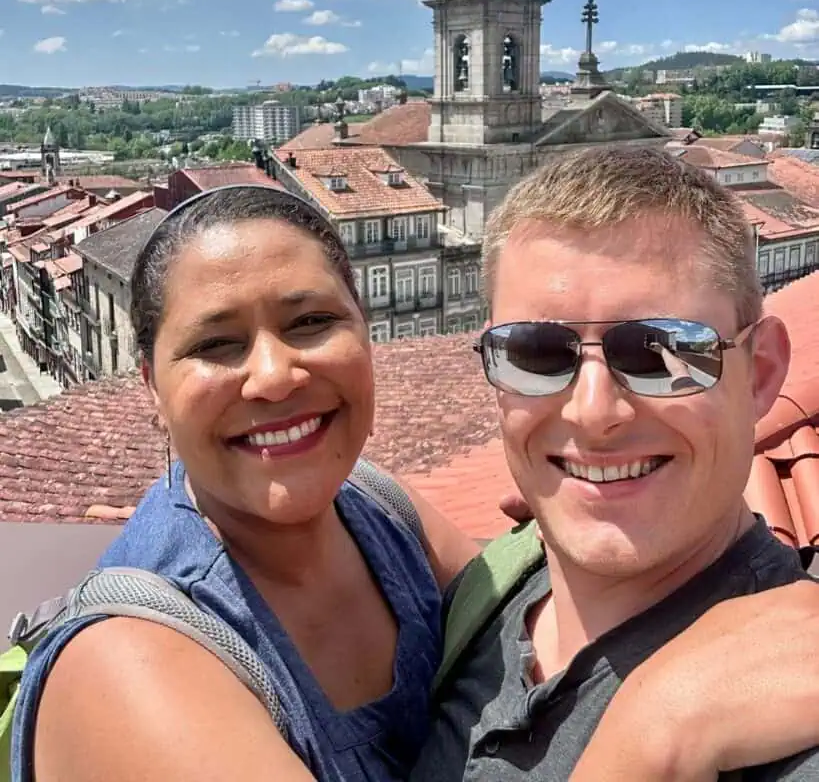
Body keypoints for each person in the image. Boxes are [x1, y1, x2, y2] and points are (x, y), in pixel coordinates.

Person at [9, 182, 819, 782]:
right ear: (150, 385)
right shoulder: (127, 667)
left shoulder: (382, 515)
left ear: (367, 335)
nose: (272, 375)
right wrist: (651, 734)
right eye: (216, 344)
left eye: (310, 322)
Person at [411, 145, 819, 781]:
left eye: (662, 352)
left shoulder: (789, 729)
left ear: (760, 372)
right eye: (537, 352)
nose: (592, 412)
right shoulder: (488, 593)